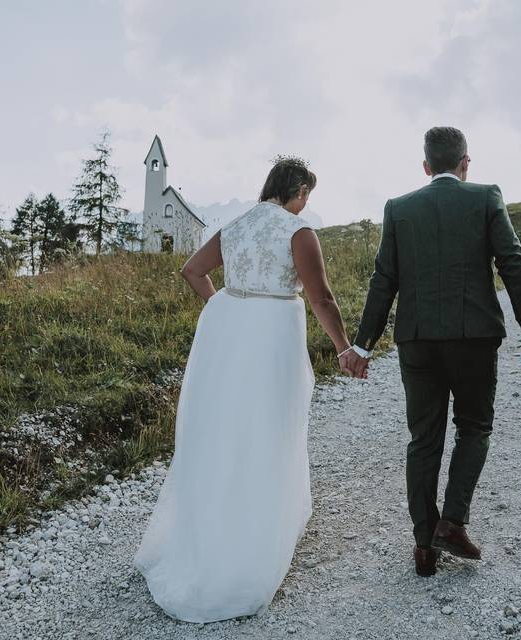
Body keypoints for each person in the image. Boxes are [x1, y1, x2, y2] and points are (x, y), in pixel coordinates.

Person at [134, 156, 357, 622]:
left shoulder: (235, 226)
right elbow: (321, 298)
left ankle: (212, 527)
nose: (305, 204)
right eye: (306, 195)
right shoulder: (299, 233)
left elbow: (192, 271)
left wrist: (225, 310)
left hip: (230, 336)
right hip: (275, 332)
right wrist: (343, 347)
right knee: (272, 423)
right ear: (297, 190)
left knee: (224, 426)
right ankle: (256, 532)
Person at [343, 126, 521, 577]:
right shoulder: (486, 197)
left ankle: (424, 544)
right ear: (465, 162)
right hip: (474, 337)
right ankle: (452, 523)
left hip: (416, 340)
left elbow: (384, 281)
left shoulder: (398, 209)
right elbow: (512, 263)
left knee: (423, 438)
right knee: (474, 427)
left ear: (425, 165)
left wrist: (362, 344)